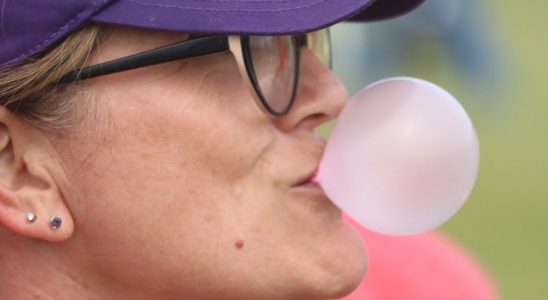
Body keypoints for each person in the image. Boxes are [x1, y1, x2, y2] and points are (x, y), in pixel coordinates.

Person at [0, 0, 496, 299]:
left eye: (301, 39)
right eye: (248, 47)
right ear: (19, 171)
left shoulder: (419, 287)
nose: (331, 94)